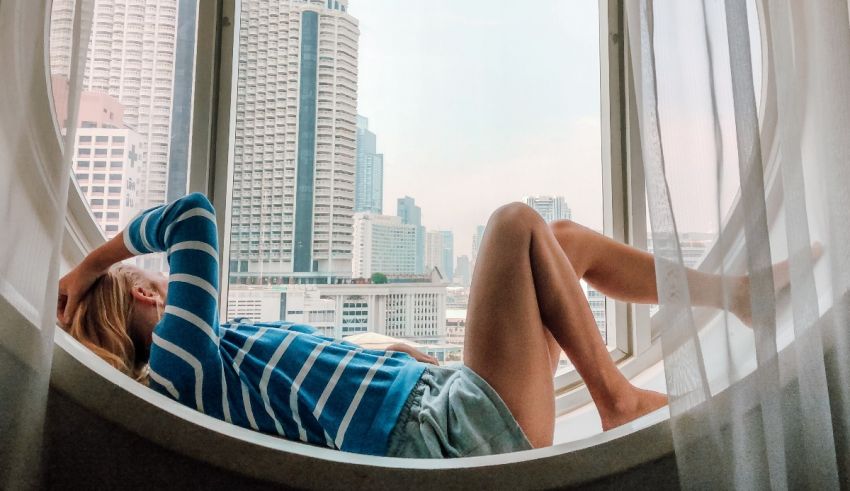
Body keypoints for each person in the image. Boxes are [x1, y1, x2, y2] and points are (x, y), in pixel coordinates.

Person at [58, 192, 769, 458]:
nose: (169, 282)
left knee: (560, 237)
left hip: (442, 406)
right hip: (444, 430)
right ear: (151, 299)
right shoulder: (181, 369)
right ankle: (615, 398)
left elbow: (336, 382)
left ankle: (731, 292)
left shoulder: (219, 358)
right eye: (155, 280)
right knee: (513, 222)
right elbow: (192, 216)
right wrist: (94, 262)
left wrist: (408, 357)